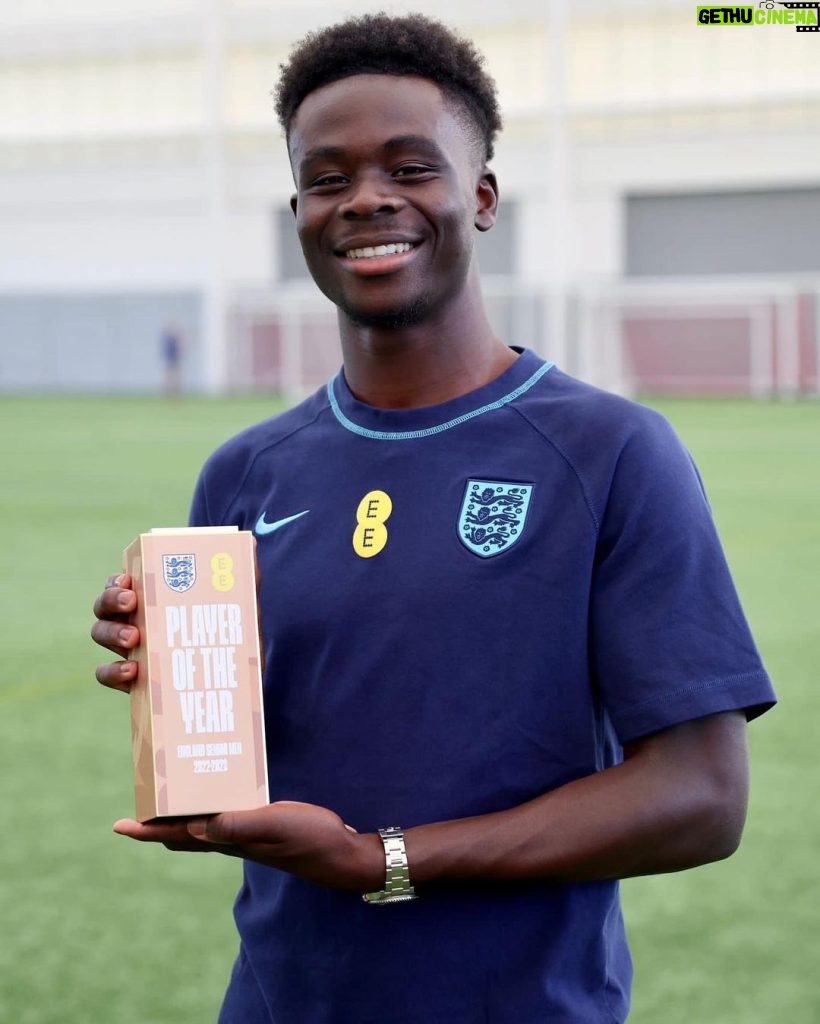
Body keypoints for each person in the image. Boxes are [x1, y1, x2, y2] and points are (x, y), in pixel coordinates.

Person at [92, 13, 776, 1023]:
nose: (366, 198)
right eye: (327, 179)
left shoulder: (611, 452)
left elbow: (699, 798)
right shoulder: (243, 474)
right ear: (298, 213)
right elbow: (253, 764)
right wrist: (170, 683)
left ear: (481, 196)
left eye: (409, 167)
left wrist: (382, 862)